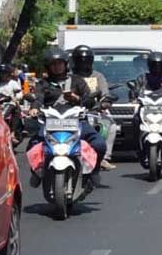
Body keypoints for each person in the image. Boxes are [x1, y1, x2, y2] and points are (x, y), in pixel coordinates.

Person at [28, 47, 108, 189]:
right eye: (53, 64)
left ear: (66, 64)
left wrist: (76, 99)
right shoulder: (43, 84)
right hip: (51, 123)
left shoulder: (77, 81)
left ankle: (94, 171)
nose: (57, 67)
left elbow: (89, 100)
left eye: (59, 63)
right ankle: (37, 171)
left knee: (99, 144)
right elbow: (38, 99)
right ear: (48, 66)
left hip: (76, 122)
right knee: (33, 144)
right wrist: (34, 108)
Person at [71, 45, 117, 171]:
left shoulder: (98, 76)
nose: (83, 63)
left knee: (111, 125)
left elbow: (105, 93)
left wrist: (104, 103)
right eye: (80, 60)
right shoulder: (70, 76)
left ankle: (104, 158)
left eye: (86, 60)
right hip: (71, 111)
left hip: (95, 110)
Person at [131, 51, 162, 158]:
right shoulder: (142, 78)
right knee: (136, 120)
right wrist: (133, 98)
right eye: (154, 65)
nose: (157, 68)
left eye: (160, 65)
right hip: (146, 107)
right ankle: (137, 145)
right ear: (149, 65)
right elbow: (135, 90)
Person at [0, 63, 23, 143]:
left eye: (5, 73)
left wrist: (16, 98)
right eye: (2, 73)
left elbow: (20, 93)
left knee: (15, 109)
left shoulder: (13, 83)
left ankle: (12, 133)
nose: (3, 75)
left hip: (10, 103)